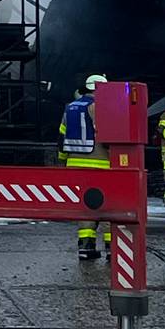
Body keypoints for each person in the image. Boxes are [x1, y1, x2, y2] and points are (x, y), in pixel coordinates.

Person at [60, 74, 113, 259]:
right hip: (101, 164)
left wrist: (63, 160)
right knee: (107, 206)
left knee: (85, 206)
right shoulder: (99, 108)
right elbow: (108, 137)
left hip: (75, 164)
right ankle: (111, 248)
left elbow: (62, 137)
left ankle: (86, 247)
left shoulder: (70, 108)